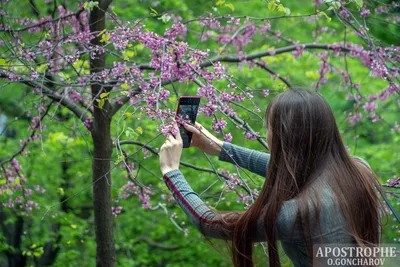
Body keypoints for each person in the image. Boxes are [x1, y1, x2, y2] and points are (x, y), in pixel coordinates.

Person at [159, 88, 384, 267]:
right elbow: (296, 171)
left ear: (282, 137)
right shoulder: (357, 170)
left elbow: (208, 222)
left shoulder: (296, 214)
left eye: (267, 127)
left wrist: (172, 172)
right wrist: (219, 147)